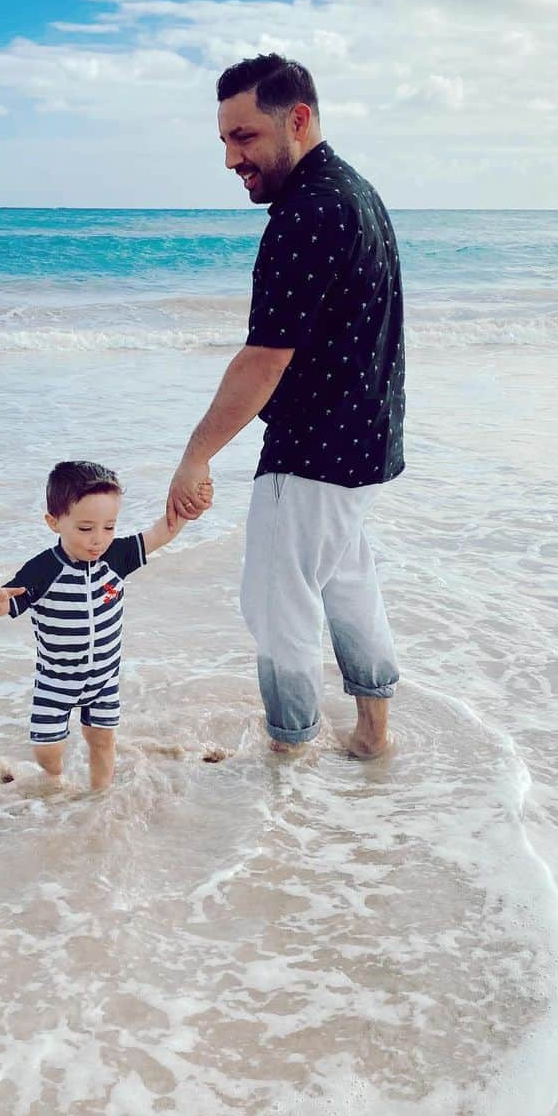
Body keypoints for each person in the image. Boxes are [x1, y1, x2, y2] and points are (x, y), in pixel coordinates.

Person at [167, 53, 405, 759]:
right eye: (224, 142)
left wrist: (196, 456)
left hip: (312, 449)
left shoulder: (308, 211)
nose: (233, 159)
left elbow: (265, 359)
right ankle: (371, 738)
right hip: (360, 442)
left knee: (278, 607)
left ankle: (289, 758)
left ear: (296, 120)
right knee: (348, 585)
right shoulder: (354, 191)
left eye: (244, 138)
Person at [0, 460, 212, 790]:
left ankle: (99, 797)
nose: (98, 540)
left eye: (109, 527)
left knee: (102, 741)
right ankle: (54, 779)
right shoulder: (44, 569)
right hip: (56, 682)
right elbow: (12, 596)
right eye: (86, 529)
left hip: (103, 679)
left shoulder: (117, 556)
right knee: (47, 749)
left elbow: (164, 532)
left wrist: (190, 505)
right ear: (54, 522)